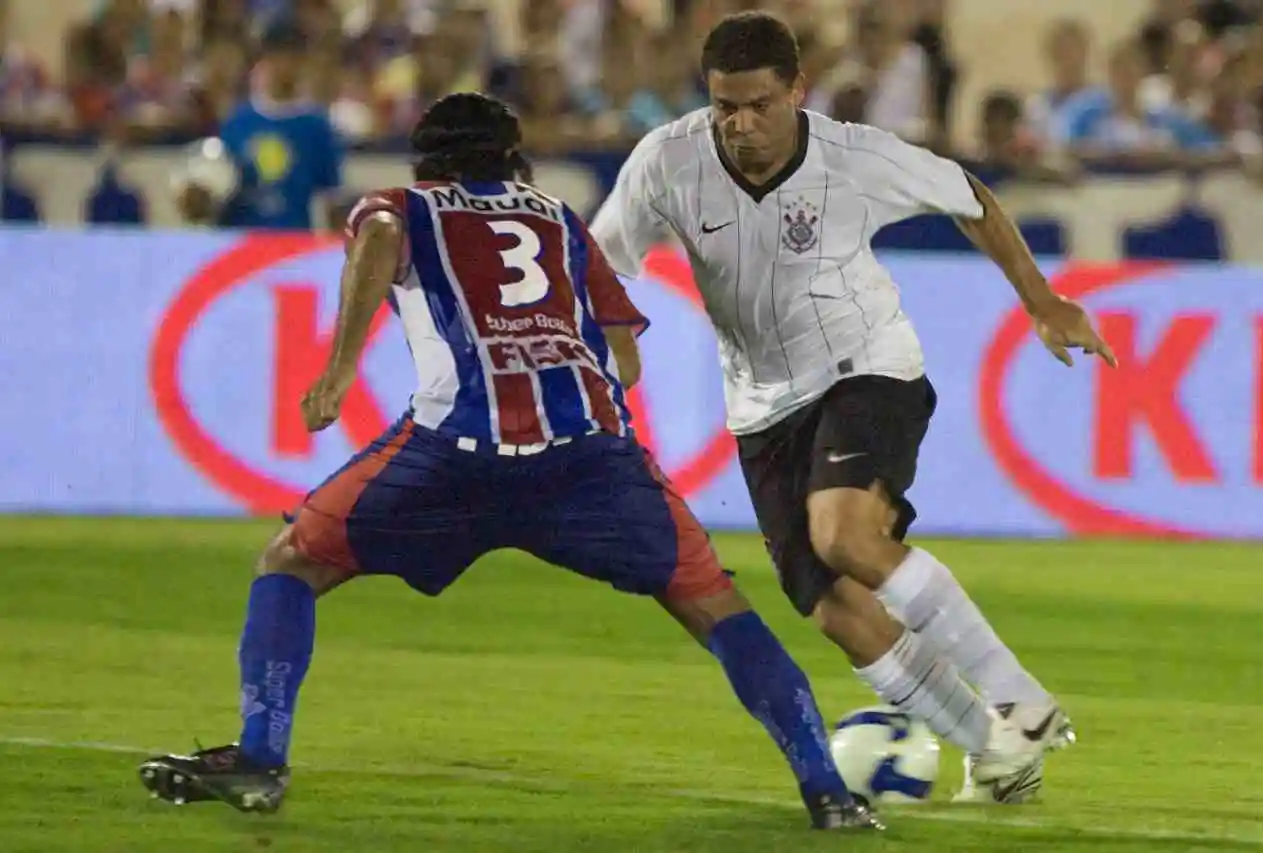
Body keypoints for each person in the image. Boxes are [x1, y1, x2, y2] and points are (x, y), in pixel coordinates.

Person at [136, 92, 881, 833]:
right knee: (716, 605)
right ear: (513, 157)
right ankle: (829, 792)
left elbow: (380, 235)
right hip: (588, 461)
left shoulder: (402, 205)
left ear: (428, 160)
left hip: (452, 456)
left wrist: (338, 369)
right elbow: (623, 360)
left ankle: (262, 758)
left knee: (292, 560)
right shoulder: (558, 220)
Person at [589, 11, 1117, 804]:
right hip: (761, 405)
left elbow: (968, 195)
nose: (738, 124)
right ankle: (996, 756)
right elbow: (599, 262)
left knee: (844, 534)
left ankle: (1021, 702)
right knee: (837, 610)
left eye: (758, 104)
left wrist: (1041, 299)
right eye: (723, 106)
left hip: (865, 365)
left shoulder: (853, 157)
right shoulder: (667, 161)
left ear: (798, 91)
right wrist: (609, 339)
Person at [176, 18, 344, 229]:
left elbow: (331, 198)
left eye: (293, 56)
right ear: (264, 59)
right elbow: (219, 186)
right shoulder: (238, 121)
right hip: (241, 240)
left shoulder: (317, 127)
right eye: (278, 55)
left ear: (304, 62)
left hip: (292, 243)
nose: (285, 65)